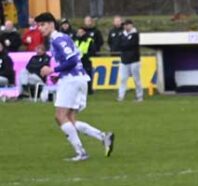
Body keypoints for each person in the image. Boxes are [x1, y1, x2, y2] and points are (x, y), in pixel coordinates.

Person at [33, 12, 114, 161]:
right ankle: (103, 137)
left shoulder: (58, 39)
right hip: (76, 78)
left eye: (43, 24)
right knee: (69, 118)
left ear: (51, 24)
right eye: (38, 25)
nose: (40, 28)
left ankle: (81, 153)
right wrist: (59, 74)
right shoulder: (59, 38)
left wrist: (53, 70)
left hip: (72, 80)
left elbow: (72, 59)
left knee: (60, 116)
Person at [117, 19, 143, 102]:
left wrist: (125, 44)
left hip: (134, 60)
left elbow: (132, 45)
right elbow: (119, 45)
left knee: (136, 79)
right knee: (123, 79)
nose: (126, 26)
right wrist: (125, 44)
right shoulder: (122, 34)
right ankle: (121, 96)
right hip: (124, 60)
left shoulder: (135, 34)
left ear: (131, 25)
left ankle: (139, 96)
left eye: (127, 24)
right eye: (124, 25)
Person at [76, 16, 103, 95]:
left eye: (81, 32)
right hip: (77, 61)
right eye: (78, 32)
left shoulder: (89, 40)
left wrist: (86, 55)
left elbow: (93, 49)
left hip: (86, 59)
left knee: (87, 75)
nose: (79, 33)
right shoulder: (76, 40)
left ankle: (89, 90)